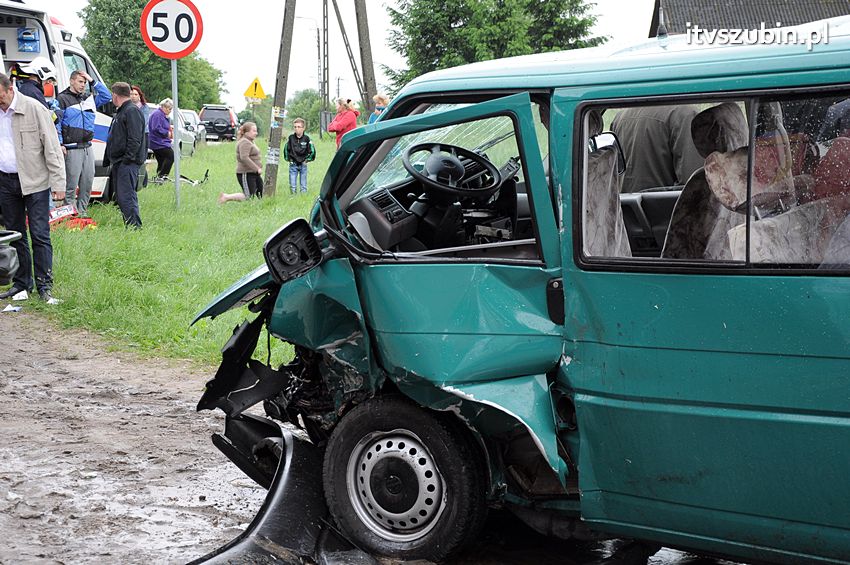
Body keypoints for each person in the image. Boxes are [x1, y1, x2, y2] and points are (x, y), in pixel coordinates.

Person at [0, 73, 66, 303]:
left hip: (35, 181)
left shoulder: (34, 109)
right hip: (5, 181)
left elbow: (52, 148)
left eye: (0, 97)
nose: (0, 103)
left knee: (39, 234)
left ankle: (45, 286)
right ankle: (21, 284)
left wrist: (59, 183)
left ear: (10, 89)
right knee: (15, 233)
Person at [611, 104, 704, 193]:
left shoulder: (620, 117)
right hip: (665, 207)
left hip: (625, 207)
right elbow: (695, 183)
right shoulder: (685, 114)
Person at [56, 69, 112, 215]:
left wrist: (92, 80)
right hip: (71, 147)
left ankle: (82, 212)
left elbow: (107, 96)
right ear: (71, 81)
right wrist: (60, 143)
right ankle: (68, 214)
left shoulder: (88, 98)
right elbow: (57, 123)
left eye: (85, 82)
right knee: (71, 184)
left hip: (87, 146)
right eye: (80, 81)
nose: (83, 85)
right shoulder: (62, 98)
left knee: (87, 182)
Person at [103, 82, 145, 228]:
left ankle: (134, 227)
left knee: (126, 196)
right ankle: (130, 225)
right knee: (121, 197)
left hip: (127, 162)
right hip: (120, 161)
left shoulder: (131, 111)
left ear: (115, 95)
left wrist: (127, 159)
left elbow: (135, 139)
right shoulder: (122, 110)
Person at [219, 122, 263, 203]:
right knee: (248, 196)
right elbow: (244, 157)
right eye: (254, 131)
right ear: (247, 132)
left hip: (253, 173)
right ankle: (226, 197)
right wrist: (257, 168)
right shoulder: (244, 142)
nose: (256, 133)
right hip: (246, 173)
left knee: (261, 192)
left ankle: (263, 207)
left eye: (256, 131)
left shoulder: (250, 141)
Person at [284, 117, 316, 194]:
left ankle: (303, 197)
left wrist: (307, 160)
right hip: (293, 164)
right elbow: (286, 149)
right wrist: (289, 160)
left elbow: (312, 151)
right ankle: (293, 198)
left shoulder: (307, 139)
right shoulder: (290, 138)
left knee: (303, 185)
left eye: (299, 127)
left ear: (303, 128)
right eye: (295, 127)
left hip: (303, 164)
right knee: (292, 185)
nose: (296, 129)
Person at [148, 98, 174, 182]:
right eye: (170, 109)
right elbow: (156, 128)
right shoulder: (158, 114)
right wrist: (167, 133)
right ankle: (162, 177)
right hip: (158, 142)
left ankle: (159, 178)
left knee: (162, 161)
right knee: (170, 156)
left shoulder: (161, 115)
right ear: (165, 107)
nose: (170, 111)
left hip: (159, 141)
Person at [130, 85, 151, 188]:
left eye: (135, 94)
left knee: (141, 158)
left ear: (139, 96)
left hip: (143, 135)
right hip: (132, 135)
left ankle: (144, 181)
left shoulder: (144, 107)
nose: (133, 96)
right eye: (131, 94)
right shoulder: (128, 106)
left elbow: (144, 121)